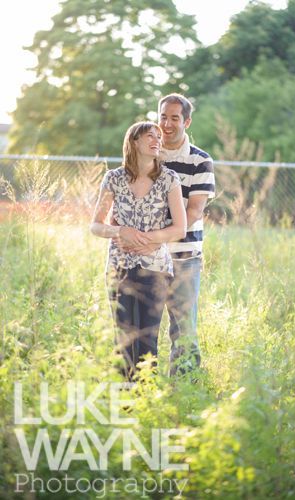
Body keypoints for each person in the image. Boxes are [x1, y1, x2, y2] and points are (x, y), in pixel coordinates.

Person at [121, 93, 215, 376]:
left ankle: (183, 390)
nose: (167, 123)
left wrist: (149, 232)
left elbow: (194, 212)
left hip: (184, 256)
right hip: (146, 257)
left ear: (187, 121)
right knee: (143, 330)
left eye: (175, 118)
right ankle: (141, 387)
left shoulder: (200, 161)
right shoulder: (148, 156)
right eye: (163, 116)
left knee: (183, 328)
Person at [90, 122, 187, 382]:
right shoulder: (113, 178)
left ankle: (145, 403)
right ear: (134, 142)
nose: (157, 139)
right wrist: (120, 232)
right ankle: (123, 404)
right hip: (118, 267)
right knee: (123, 340)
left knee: (146, 342)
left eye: (158, 136)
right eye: (149, 136)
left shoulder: (169, 179)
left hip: (154, 268)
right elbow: (96, 226)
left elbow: (180, 227)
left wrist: (148, 239)